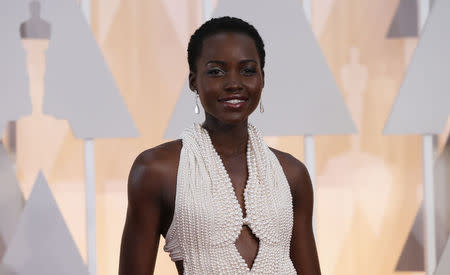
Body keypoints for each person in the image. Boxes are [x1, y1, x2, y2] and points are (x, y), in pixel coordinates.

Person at [119, 16, 321, 275]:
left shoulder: (292, 174)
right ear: (193, 81)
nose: (234, 83)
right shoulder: (157, 170)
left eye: (247, 70)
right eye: (216, 71)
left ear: (262, 78)